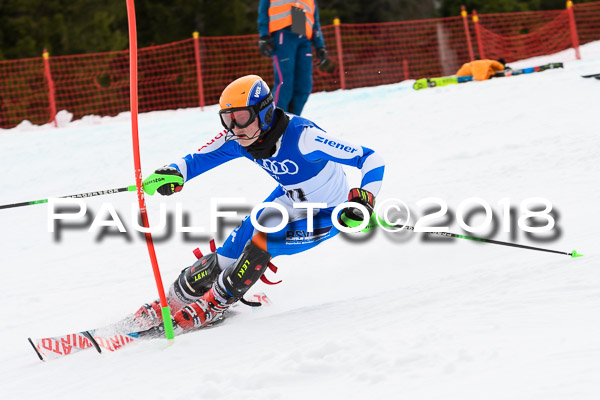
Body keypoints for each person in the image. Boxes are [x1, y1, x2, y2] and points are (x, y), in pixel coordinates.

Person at [136, 75, 385, 332]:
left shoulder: (304, 137)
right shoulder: (241, 138)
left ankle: (215, 304)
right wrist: (174, 172)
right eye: (227, 118)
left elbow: (371, 158)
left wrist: (364, 200)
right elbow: (196, 160)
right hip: (289, 199)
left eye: (241, 117)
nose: (234, 128)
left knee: (262, 242)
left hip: (329, 213)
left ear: (264, 113)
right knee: (225, 257)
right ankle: (174, 301)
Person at [257, 0, 328, 116]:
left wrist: (320, 45)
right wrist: (264, 35)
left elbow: (315, 21)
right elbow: (264, 11)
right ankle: (275, 122)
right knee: (285, 83)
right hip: (283, 32)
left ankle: (291, 120)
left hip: (302, 34)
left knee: (304, 85)